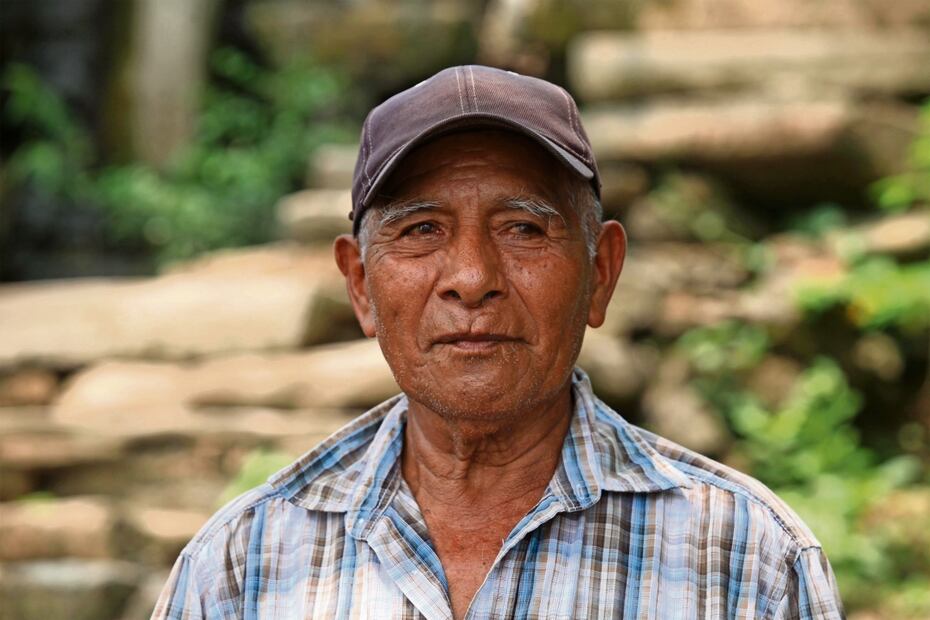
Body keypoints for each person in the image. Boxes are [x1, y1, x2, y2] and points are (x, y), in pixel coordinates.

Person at [152, 65, 844, 619]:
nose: (472, 278)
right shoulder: (243, 563)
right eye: (421, 230)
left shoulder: (745, 559)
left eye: (523, 228)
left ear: (600, 274)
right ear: (360, 286)